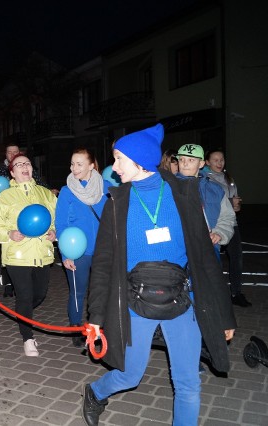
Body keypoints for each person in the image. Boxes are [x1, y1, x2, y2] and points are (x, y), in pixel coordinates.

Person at [81, 124, 236, 426]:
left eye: (118, 159)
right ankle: (96, 391)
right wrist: (96, 317)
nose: (114, 167)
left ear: (139, 160)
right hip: (134, 302)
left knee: (188, 383)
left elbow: (205, 260)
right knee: (130, 374)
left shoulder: (183, 195)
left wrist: (224, 317)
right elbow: (102, 264)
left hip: (182, 301)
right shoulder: (117, 202)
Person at [0, 153, 57, 357]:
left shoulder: (46, 194)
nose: (24, 167)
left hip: (42, 252)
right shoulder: (4, 197)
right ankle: (28, 339)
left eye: (27, 163)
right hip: (17, 255)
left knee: (39, 294)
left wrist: (55, 232)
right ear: (12, 172)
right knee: (25, 295)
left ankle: (22, 314)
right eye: (18, 165)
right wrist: (8, 234)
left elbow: (57, 220)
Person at [54, 148, 112, 347]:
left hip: (105, 250)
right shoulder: (67, 191)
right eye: (72, 164)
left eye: (79, 164)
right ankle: (76, 328)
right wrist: (65, 254)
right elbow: (61, 224)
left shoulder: (107, 187)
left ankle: (101, 328)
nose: (74, 168)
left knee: (103, 292)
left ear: (91, 165)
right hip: (78, 251)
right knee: (78, 292)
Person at [205, 149, 251, 307]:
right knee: (213, 262)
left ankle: (236, 293)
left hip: (230, 224)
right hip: (213, 226)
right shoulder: (205, 180)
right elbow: (211, 203)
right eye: (215, 160)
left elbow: (233, 203)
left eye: (222, 160)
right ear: (207, 163)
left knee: (237, 258)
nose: (219, 163)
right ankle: (214, 295)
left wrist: (236, 206)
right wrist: (231, 204)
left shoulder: (228, 178)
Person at [176, 144, 235, 256]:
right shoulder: (168, 187)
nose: (184, 163)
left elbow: (227, 216)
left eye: (191, 160)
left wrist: (219, 233)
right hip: (178, 252)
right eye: (181, 159)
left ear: (201, 164)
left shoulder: (215, 190)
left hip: (208, 249)